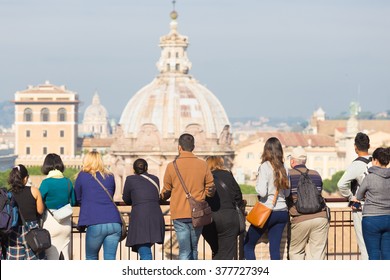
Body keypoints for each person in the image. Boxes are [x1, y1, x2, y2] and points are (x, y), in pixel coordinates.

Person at [160, 133, 215, 260]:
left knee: (184, 250)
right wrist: (203, 196)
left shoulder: (171, 166)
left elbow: (166, 190)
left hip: (179, 213)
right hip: (198, 213)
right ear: (193, 147)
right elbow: (211, 188)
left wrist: (162, 196)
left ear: (179, 147)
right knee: (194, 248)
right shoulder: (203, 165)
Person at [243, 137, 290, 260]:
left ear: (266, 150)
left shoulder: (265, 166)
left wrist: (257, 182)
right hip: (282, 212)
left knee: (248, 245)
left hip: (267, 212)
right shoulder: (285, 167)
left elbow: (262, 192)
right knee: (275, 250)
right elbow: (287, 193)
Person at [74, 151, 122, 260]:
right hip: (114, 221)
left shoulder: (82, 176)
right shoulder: (109, 176)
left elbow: (77, 197)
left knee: (91, 257)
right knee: (110, 258)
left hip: (95, 221)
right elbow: (111, 194)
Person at [287, 147, 329, 260]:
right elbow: (319, 193)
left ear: (292, 161)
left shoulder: (288, 175)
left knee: (296, 252)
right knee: (318, 254)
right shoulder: (316, 174)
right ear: (305, 161)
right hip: (320, 217)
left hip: (299, 217)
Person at [201, 156, 245, 260]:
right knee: (227, 254)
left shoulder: (204, 177)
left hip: (209, 218)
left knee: (216, 250)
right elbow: (238, 195)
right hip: (229, 217)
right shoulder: (228, 175)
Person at [122, 158, 165, 260]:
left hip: (141, 217)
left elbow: (126, 199)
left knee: (145, 251)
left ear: (134, 169)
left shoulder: (130, 179)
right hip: (156, 216)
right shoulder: (155, 179)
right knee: (145, 248)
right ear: (146, 168)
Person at [337, 132, 371, 260]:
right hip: (381, 207)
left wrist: (351, 197)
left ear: (355, 147)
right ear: (369, 145)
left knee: (364, 244)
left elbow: (341, 184)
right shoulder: (377, 160)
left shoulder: (356, 164)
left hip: (361, 207)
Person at [39, 153, 76, 260]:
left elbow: (39, 202)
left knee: (51, 257)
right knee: (66, 257)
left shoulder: (46, 183)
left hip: (50, 223)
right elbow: (73, 202)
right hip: (66, 224)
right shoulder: (68, 182)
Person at [356, 147, 390, 260]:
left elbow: (359, 196)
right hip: (388, 217)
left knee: (374, 254)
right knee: (387, 254)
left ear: (375, 160)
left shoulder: (369, 178)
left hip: (371, 219)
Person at [6, 164, 45, 260]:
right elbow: (40, 211)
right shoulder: (34, 191)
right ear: (25, 178)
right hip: (31, 230)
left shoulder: (8, 194)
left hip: (14, 230)